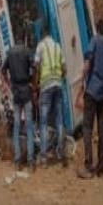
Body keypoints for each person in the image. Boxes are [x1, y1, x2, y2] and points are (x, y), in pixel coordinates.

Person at [78, 19, 103, 179]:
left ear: (98, 30)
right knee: (101, 128)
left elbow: (88, 60)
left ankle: (88, 166)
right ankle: (101, 166)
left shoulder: (95, 40)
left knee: (87, 128)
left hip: (92, 91)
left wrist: (82, 79)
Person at [33, 24, 67, 168]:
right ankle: (60, 154)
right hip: (58, 85)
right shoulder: (58, 46)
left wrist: (35, 85)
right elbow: (64, 68)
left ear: (42, 36)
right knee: (59, 120)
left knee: (44, 122)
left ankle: (44, 158)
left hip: (46, 86)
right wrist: (60, 78)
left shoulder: (40, 46)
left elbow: (35, 66)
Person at [2, 30, 35, 172]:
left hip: (16, 93)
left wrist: (9, 84)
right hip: (26, 92)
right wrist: (33, 84)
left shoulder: (10, 53)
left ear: (15, 39)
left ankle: (17, 162)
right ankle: (31, 162)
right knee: (29, 126)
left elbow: (2, 71)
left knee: (16, 127)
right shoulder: (27, 52)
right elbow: (34, 68)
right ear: (24, 39)